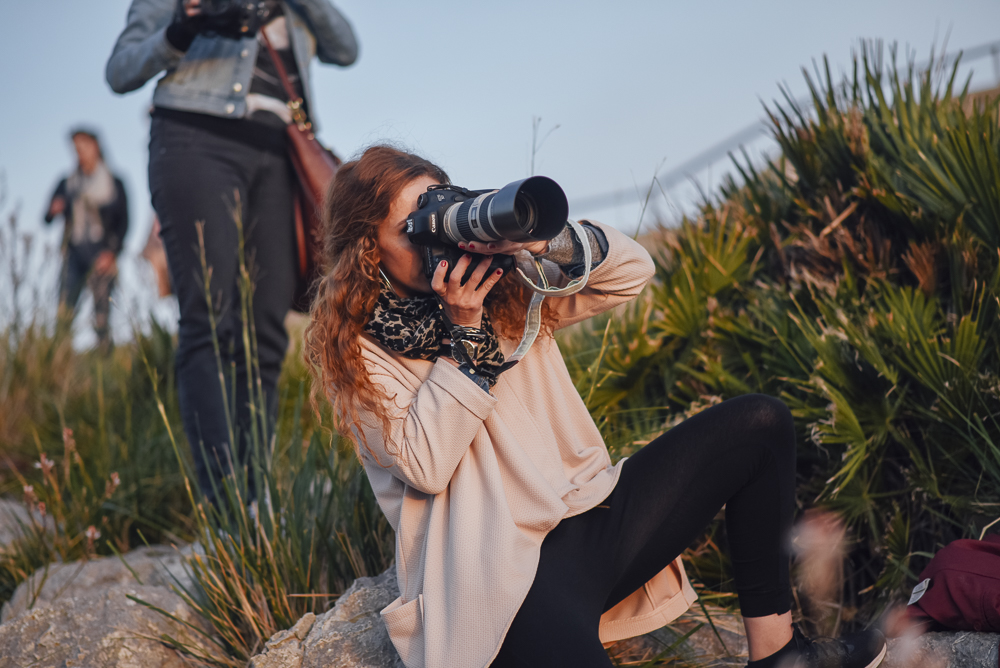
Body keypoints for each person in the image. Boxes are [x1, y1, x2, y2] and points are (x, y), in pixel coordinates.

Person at [304, 145, 890, 668]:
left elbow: (633, 272)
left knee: (761, 423)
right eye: (414, 228)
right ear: (367, 247)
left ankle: (777, 656)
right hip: (503, 588)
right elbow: (426, 464)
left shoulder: (508, 288)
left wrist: (539, 241)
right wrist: (465, 334)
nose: (432, 238)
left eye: (441, 213)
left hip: (585, 524)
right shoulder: (356, 351)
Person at [105, 0, 358, 502]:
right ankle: (224, 503)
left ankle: (255, 489)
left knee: (268, 327)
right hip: (196, 138)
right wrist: (183, 28)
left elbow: (346, 49)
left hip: (279, 150)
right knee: (210, 317)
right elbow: (121, 70)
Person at [44, 128, 129, 351]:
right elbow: (47, 216)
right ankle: (59, 363)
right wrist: (54, 210)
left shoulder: (114, 183)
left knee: (101, 317)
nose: (79, 153)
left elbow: (124, 222)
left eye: (83, 147)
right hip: (74, 253)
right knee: (64, 311)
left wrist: (111, 253)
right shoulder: (67, 183)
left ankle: (105, 364)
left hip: (101, 253)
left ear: (96, 147)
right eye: (76, 149)